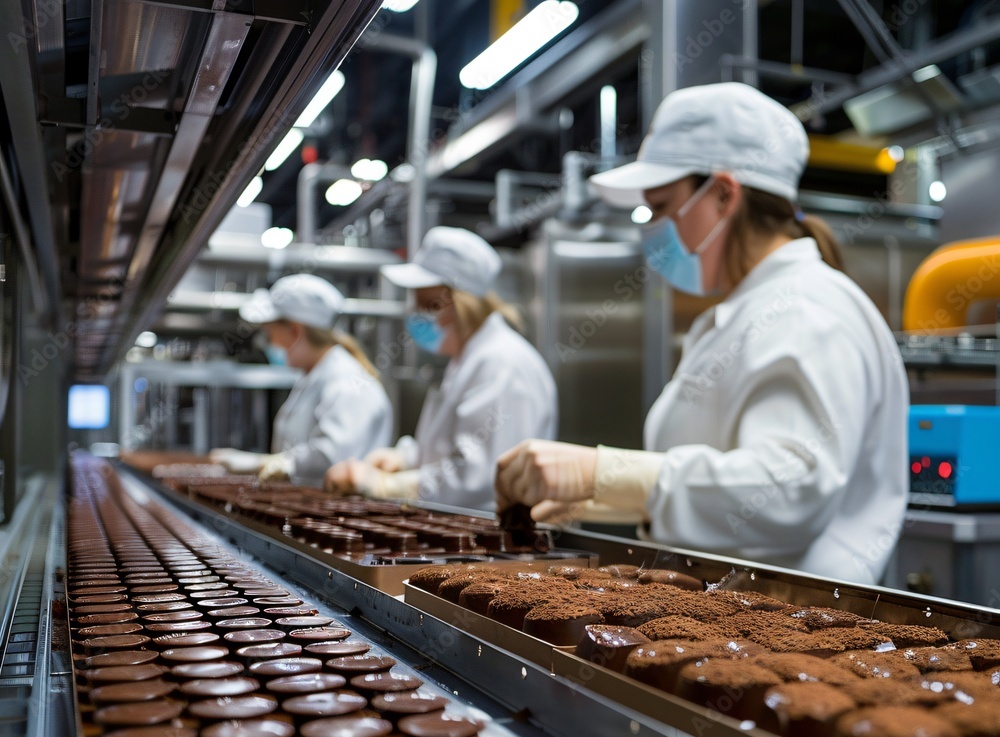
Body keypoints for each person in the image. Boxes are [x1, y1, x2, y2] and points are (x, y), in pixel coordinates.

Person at [495, 82, 909, 585]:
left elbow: (789, 488)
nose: (653, 229)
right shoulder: (744, 312)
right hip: (733, 624)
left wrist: (602, 472)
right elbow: (714, 495)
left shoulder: (806, 309)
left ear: (722, 194)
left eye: (662, 207)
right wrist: (598, 498)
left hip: (796, 637)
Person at [324, 227, 558, 509]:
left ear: (460, 303)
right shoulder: (469, 360)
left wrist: (386, 486)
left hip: (490, 540)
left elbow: (479, 478)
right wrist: (406, 459)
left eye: (427, 304)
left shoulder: (502, 363)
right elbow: (455, 448)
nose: (417, 315)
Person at [209, 273, 392, 488]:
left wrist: (262, 463)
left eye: (270, 334)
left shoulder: (347, 382)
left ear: (294, 331)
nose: (268, 343)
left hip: (337, 516)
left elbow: (333, 458)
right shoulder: (314, 377)